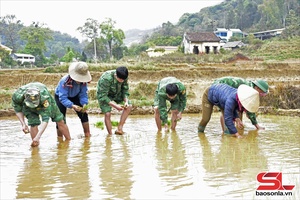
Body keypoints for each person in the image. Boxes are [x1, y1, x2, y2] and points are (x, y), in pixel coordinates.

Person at [12, 82, 71, 147]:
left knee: (59, 119)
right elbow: (17, 109)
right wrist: (23, 124)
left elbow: (45, 119)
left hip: (43, 100)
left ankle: (68, 141)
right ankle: (35, 145)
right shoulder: (17, 96)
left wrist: (38, 136)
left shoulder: (45, 99)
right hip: (27, 106)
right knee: (33, 123)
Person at [55, 61, 92, 137]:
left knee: (83, 114)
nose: (80, 80)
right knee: (60, 118)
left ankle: (87, 135)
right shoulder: (64, 81)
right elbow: (63, 98)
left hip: (76, 95)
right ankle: (60, 138)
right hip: (61, 97)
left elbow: (83, 94)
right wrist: (72, 105)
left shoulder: (83, 82)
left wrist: (84, 104)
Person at [96, 66, 132, 135]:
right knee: (107, 114)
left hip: (117, 93)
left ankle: (119, 128)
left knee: (129, 106)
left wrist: (126, 101)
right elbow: (103, 96)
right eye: (120, 79)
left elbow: (125, 90)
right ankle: (110, 135)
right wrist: (116, 106)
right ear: (116, 75)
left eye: (123, 80)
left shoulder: (124, 77)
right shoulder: (106, 78)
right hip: (104, 95)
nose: (122, 81)